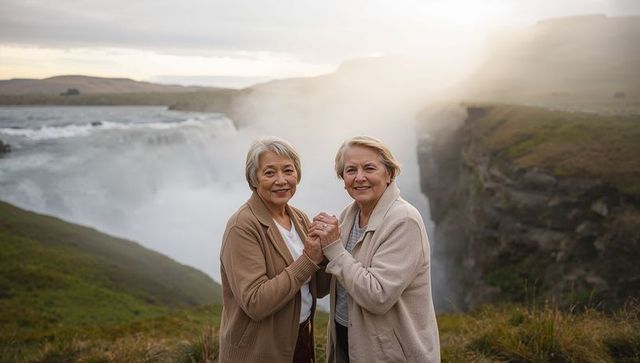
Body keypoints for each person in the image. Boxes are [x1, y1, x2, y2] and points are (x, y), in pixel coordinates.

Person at [309, 136, 440, 363]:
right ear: (343, 179)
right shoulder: (348, 216)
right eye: (351, 170)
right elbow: (327, 286)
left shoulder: (404, 220)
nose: (360, 177)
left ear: (389, 174)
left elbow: (378, 296)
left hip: (390, 353)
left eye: (369, 168)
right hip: (347, 339)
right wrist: (316, 256)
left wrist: (333, 248)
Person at [218, 136, 329, 363]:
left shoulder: (298, 218)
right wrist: (309, 259)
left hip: (300, 340)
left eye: (288, 170)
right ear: (254, 179)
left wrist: (329, 250)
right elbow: (255, 302)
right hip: (259, 352)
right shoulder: (242, 225)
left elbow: (318, 289)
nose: (281, 180)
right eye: (269, 173)